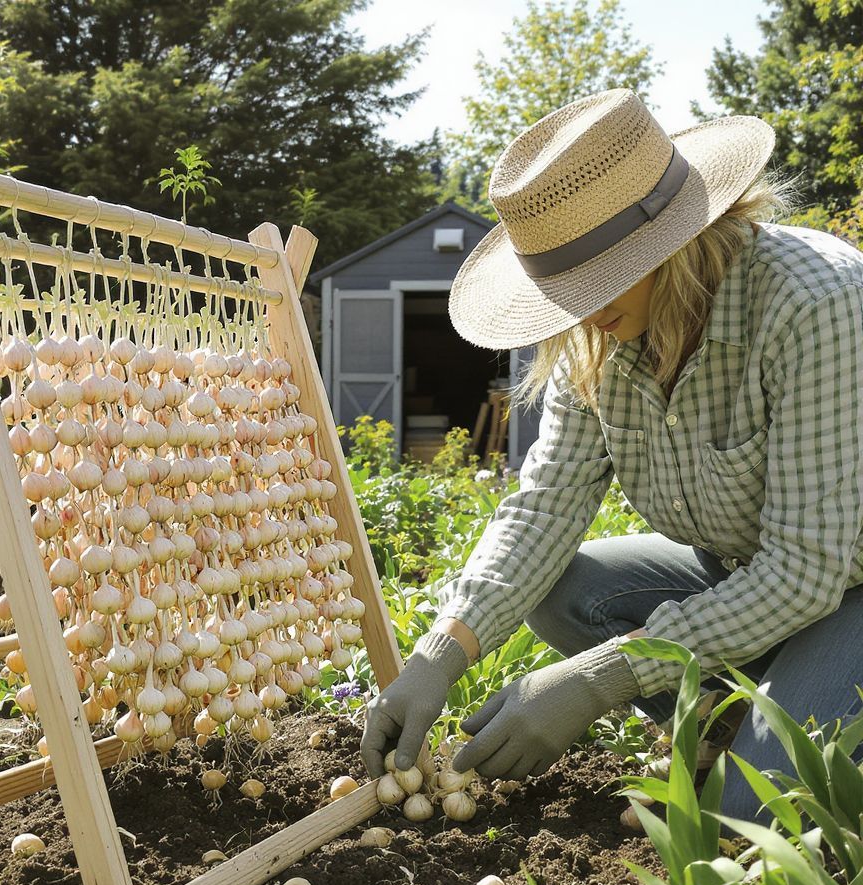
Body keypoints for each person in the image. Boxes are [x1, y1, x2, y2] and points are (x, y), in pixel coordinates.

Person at [359, 88, 863, 822]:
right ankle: (731, 722)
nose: (579, 309)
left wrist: (602, 679)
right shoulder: (600, 339)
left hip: (848, 589)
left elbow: (807, 569)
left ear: (673, 242)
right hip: (752, 581)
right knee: (566, 588)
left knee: (748, 818)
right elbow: (545, 506)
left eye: (595, 279)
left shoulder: (814, 303)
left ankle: (792, 723)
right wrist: (444, 648)